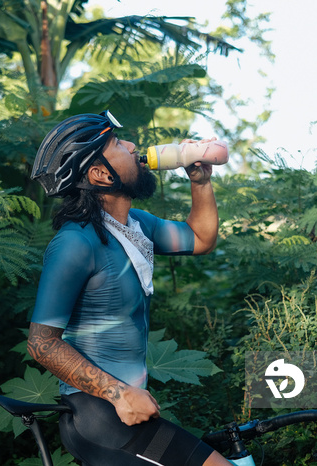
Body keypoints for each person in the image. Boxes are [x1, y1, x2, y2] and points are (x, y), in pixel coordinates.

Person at [27, 110, 230, 466]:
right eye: (118, 143)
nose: (133, 145)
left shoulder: (136, 225)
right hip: (101, 416)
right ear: (101, 174)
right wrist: (119, 394)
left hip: (124, 414)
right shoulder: (76, 243)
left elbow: (201, 238)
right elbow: (41, 343)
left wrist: (200, 181)